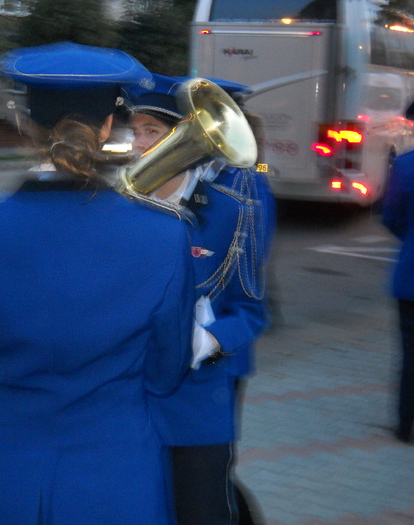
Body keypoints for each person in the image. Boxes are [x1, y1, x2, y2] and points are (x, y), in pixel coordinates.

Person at [0, 42, 196, 525]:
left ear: (26, 124)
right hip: (116, 473)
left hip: (7, 475)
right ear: (110, 125)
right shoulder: (164, 233)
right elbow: (168, 370)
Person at [125, 74, 276, 524]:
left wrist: (208, 341)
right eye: (134, 131)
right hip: (128, 403)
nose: (137, 143)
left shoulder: (233, 212)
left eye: (151, 131)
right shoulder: (117, 209)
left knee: (200, 512)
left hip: (197, 407)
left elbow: (250, 311)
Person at [382, 146, 414, 444]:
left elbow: (391, 214)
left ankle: (406, 424)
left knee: (410, 356)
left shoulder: (406, 165)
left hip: (412, 277)